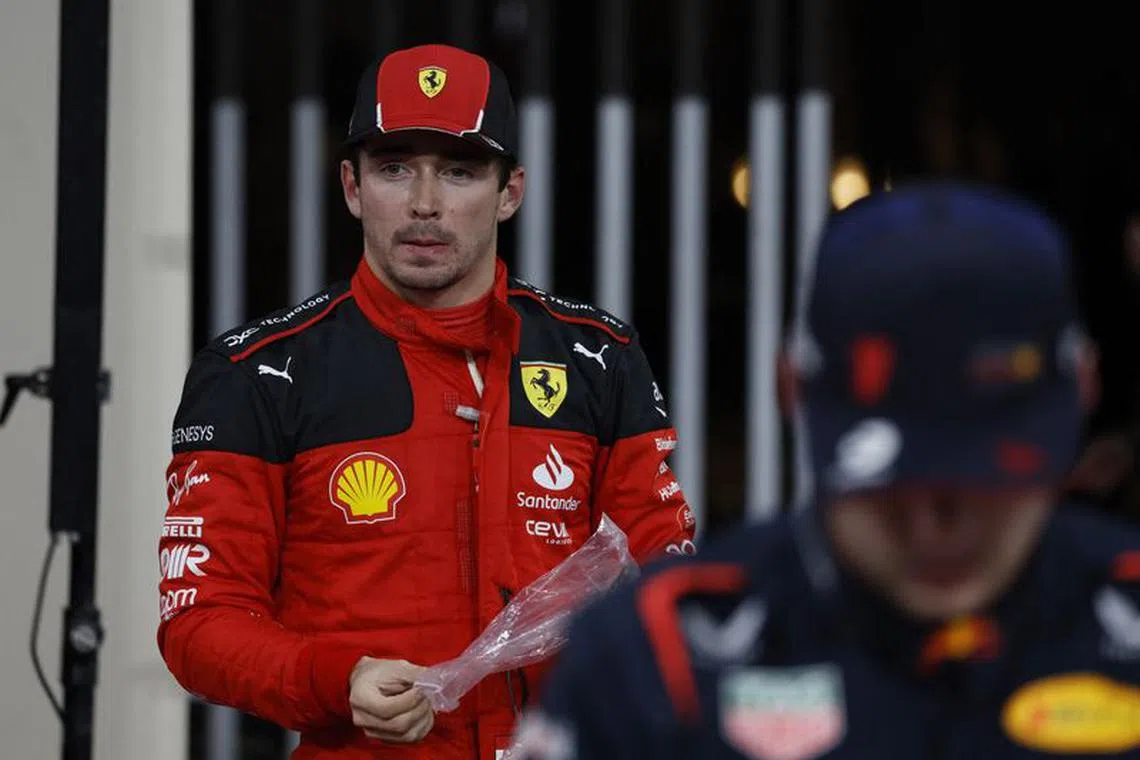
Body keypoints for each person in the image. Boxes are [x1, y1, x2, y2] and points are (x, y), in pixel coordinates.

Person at [156, 43, 694, 759]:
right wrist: (338, 679)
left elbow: (668, 578)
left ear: (510, 192)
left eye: (460, 171)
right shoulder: (255, 374)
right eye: (394, 168)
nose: (424, 203)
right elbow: (198, 622)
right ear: (352, 186)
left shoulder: (598, 358)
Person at [508, 181, 1140, 759]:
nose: (936, 526)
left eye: (986, 481)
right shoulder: (655, 661)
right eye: (890, 484)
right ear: (793, 391)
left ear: (1086, 392)